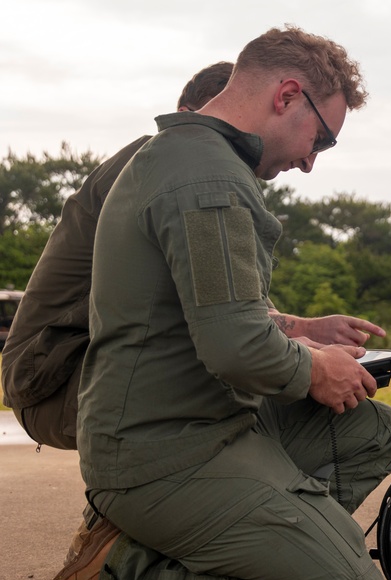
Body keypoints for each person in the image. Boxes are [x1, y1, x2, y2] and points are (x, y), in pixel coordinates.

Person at [43, 25, 391, 580]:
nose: (311, 160)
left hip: (203, 427)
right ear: (287, 95)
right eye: (320, 138)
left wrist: (306, 343)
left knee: (370, 430)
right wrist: (318, 370)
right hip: (164, 453)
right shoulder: (206, 180)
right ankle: (123, 577)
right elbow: (235, 345)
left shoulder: (188, 159)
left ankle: (208, 544)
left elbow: (221, 320)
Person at [1, 61, 234, 451]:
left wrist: (297, 330)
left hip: (71, 369)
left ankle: (128, 508)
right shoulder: (154, 163)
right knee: (238, 381)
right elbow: (213, 312)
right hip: (48, 379)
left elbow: (228, 299)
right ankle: (130, 505)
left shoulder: (186, 172)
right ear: (182, 117)